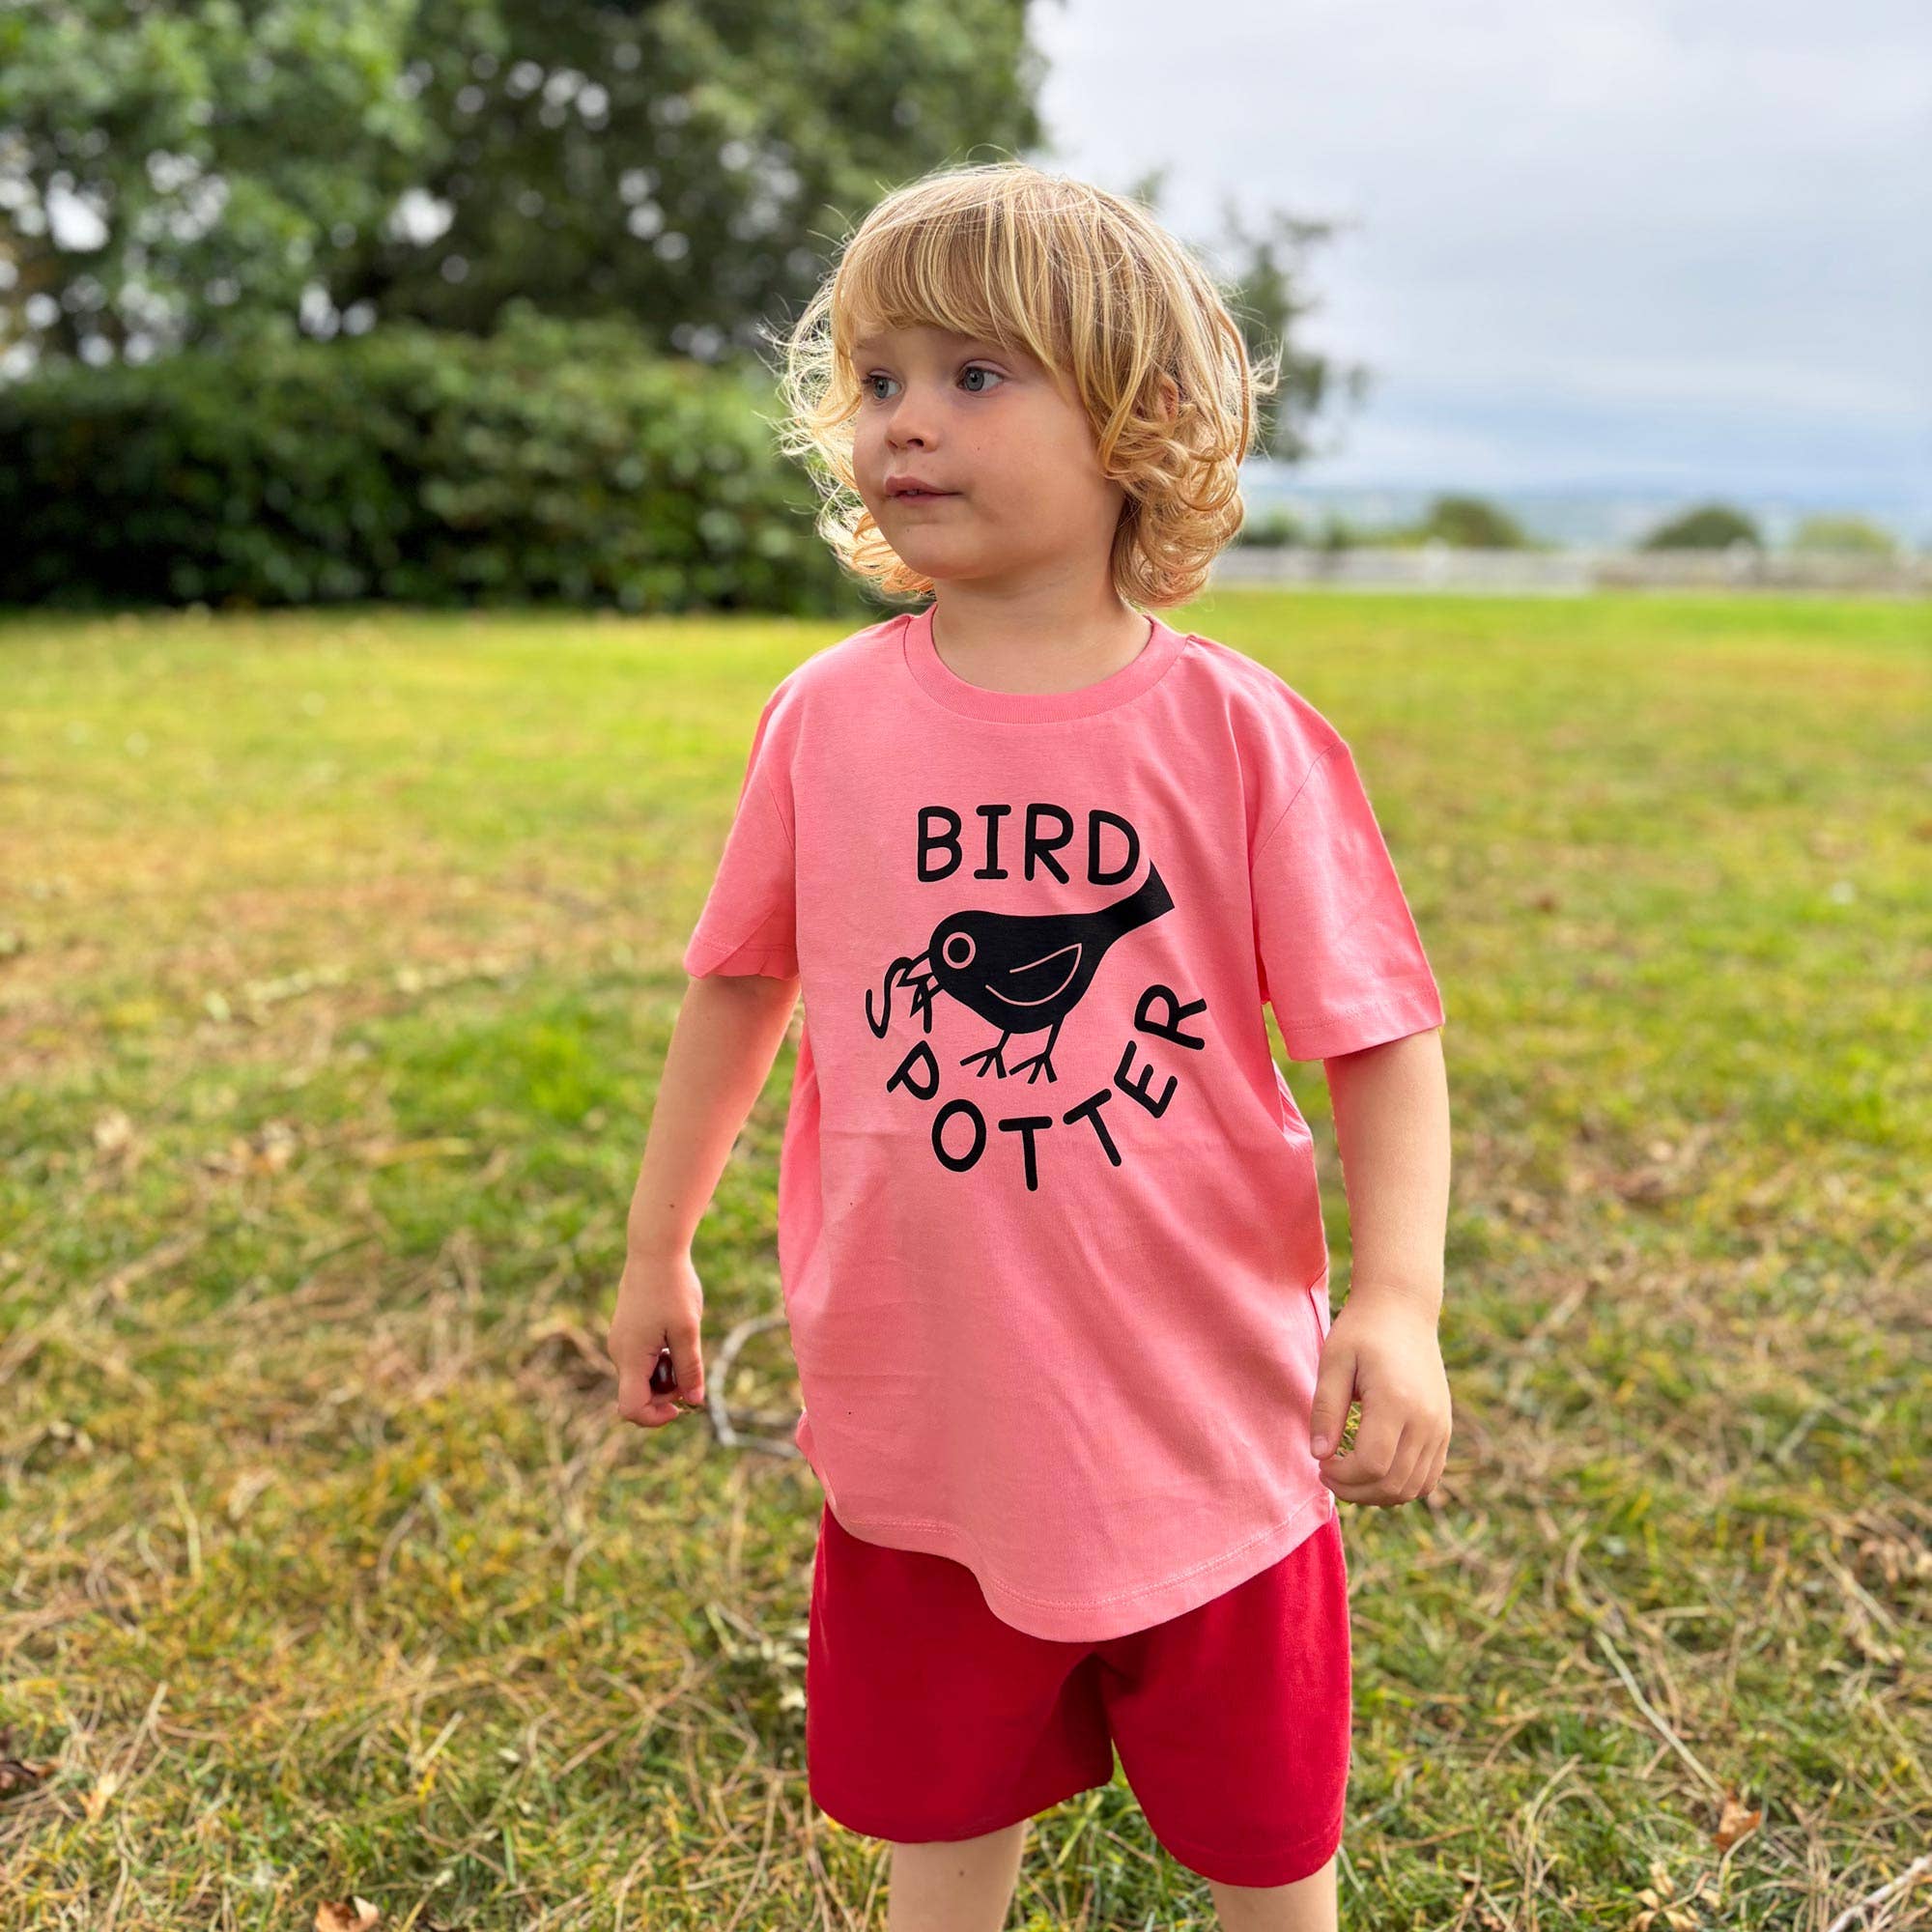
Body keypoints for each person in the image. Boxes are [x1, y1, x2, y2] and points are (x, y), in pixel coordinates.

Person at [608, 159, 1454, 1932]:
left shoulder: (1240, 734)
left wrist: (1395, 1301)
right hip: (925, 1421)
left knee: (1263, 1842)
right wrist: (657, 1244)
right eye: (879, 378)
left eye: (974, 376)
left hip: (1205, 1425)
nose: (905, 421)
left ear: (1135, 422)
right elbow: (739, 982)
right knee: (943, 1813)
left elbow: (1379, 1033)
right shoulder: (826, 720)